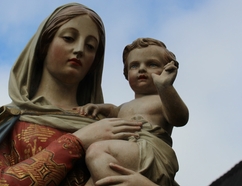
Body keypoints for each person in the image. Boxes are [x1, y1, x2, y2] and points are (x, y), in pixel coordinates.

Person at [0, 3, 159, 186]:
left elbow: (159, 170)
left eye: (90, 47)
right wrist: (76, 142)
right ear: (44, 45)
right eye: (69, 38)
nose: (79, 50)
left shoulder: (114, 125)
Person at [76, 38, 189, 186]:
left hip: (150, 152)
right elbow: (113, 110)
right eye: (134, 65)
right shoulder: (124, 107)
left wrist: (165, 87)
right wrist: (98, 107)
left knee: (97, 151)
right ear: (126, 73)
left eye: (152, 64)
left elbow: (180, 118)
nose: (142, 69)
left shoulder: (162, 99)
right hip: (126, 154)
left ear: (167, 70)